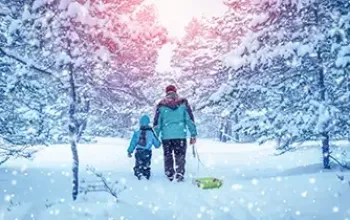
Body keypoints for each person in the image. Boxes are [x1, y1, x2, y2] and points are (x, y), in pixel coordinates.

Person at [153, 85, 197, 182]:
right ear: (175, 91)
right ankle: (179, 174)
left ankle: (169, 175)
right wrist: (193, 134)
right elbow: (189, 120)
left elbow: (157, 123)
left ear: (166, 92)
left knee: (168, 156)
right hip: (180, 135)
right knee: (180, 155)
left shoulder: (161, 105)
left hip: (166, 137)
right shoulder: (183, 103)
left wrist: (155, 136)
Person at [127, 114, 161, 180]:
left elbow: (133, 143)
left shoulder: (137, 133)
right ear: (148, 123)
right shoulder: (151, 133)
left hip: (139, 151)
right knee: (146, 164)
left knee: (138, 164)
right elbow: (157, 145)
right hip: (147, 152)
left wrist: (130, 151)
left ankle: (138, 174)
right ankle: (146, 174)